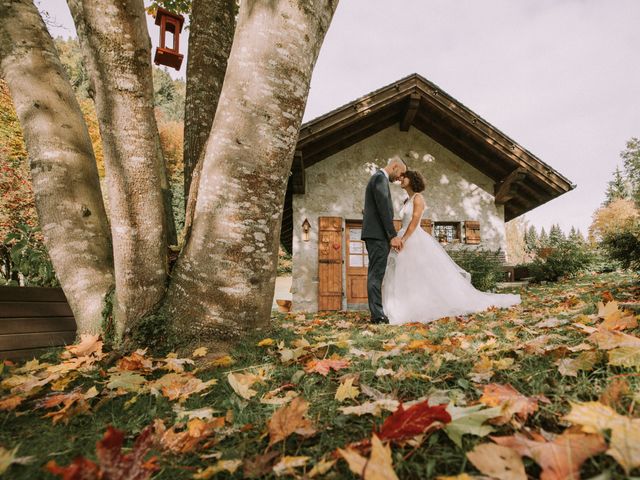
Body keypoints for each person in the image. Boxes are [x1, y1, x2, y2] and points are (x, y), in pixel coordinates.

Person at [382, 170, 521, 325]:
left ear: (412, 179)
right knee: (404, 273)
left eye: (404, 177)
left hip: (412, 238)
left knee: (420, 273)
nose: (401, 179)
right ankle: (404, 307)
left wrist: (403, 239)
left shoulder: (418, 198)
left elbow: (414, 222)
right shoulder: (406, 201)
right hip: (403, 236)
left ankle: (424, 307)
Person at [361, 157, 407, 324]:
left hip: (374, 234)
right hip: (378, 236)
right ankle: (378, 316)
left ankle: (377, 313)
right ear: (395, 166)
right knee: (376, 274)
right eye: (400, 173)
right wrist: (392, 235)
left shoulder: (377, 179)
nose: (399, 178)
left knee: (376, 273)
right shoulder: (380, 179)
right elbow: (383, 210)